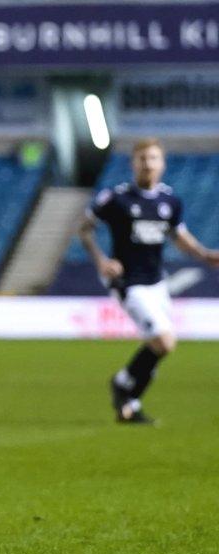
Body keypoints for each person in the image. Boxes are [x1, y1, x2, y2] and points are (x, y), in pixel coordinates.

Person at [78, 139, 219, 424]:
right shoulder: (116, 198)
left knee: (160, 346)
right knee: (164, 342)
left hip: (157, 282)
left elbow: (180, 237)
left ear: (162, 164)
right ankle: (123, 385)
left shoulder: (170, 201)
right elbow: (84, 229)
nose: (148, 164)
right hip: (128, 282)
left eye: (153, 158)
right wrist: (102, 261)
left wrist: (205, 254)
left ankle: (129, 399)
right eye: (142, 158)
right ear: (133, 163)